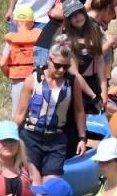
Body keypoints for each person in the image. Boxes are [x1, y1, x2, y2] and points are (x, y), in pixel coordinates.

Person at [14, 41, 86, 176]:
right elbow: (20, 113)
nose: (61, 70)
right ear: (48, 59)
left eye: (66, 67)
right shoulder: (33, 80)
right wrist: (11, 136)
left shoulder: (72, 82)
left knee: (52, 185)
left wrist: (82, 138)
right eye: (57, 66)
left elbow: (79, 110)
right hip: (31, 136)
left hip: (56, 139)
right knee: (34, 179)